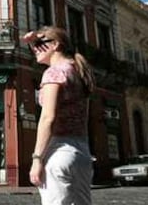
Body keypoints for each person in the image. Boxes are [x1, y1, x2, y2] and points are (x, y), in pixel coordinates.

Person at [22, 26, 95, 205]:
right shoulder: (77, 72)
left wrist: (37, 158)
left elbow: (48, 118)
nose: (34, 50)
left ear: (55, 45)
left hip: (58, 153)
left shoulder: (54, 72)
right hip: (81, 154)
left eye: (39, 45)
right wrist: (35, 40)